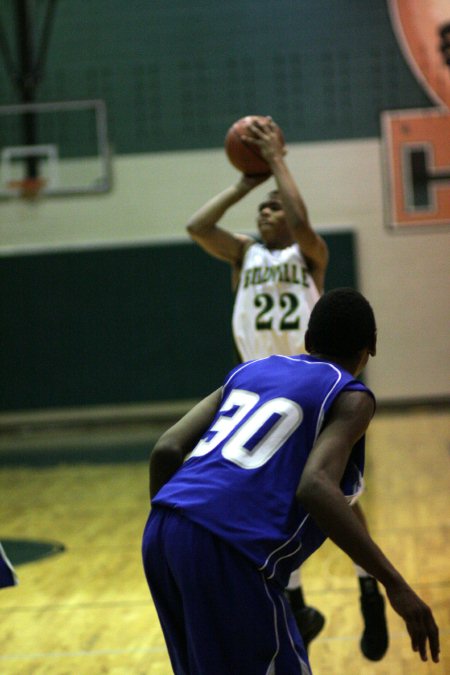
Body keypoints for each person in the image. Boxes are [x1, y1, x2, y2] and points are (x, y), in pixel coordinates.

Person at [142, 288, 440, 675]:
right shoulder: (351, 396)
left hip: (162, 530)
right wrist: (394, 584)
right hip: (231, 546)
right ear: (373, 346)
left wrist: (173, 533)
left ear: (309, 341)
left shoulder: (250, 370)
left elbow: (166, 449)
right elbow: (315, 486)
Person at [185, 116, 388, 659]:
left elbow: (301, 220)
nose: (267, 212)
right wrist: (241, 186)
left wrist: (276, 162)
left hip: (312, 385)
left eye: (274, 206)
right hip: (259, 390)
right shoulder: (244, 254)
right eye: (263, 209)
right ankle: (296, 604)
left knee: (337, 493)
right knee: (270, 497)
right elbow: (196, 228)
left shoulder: (307, 255)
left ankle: (368, 585)